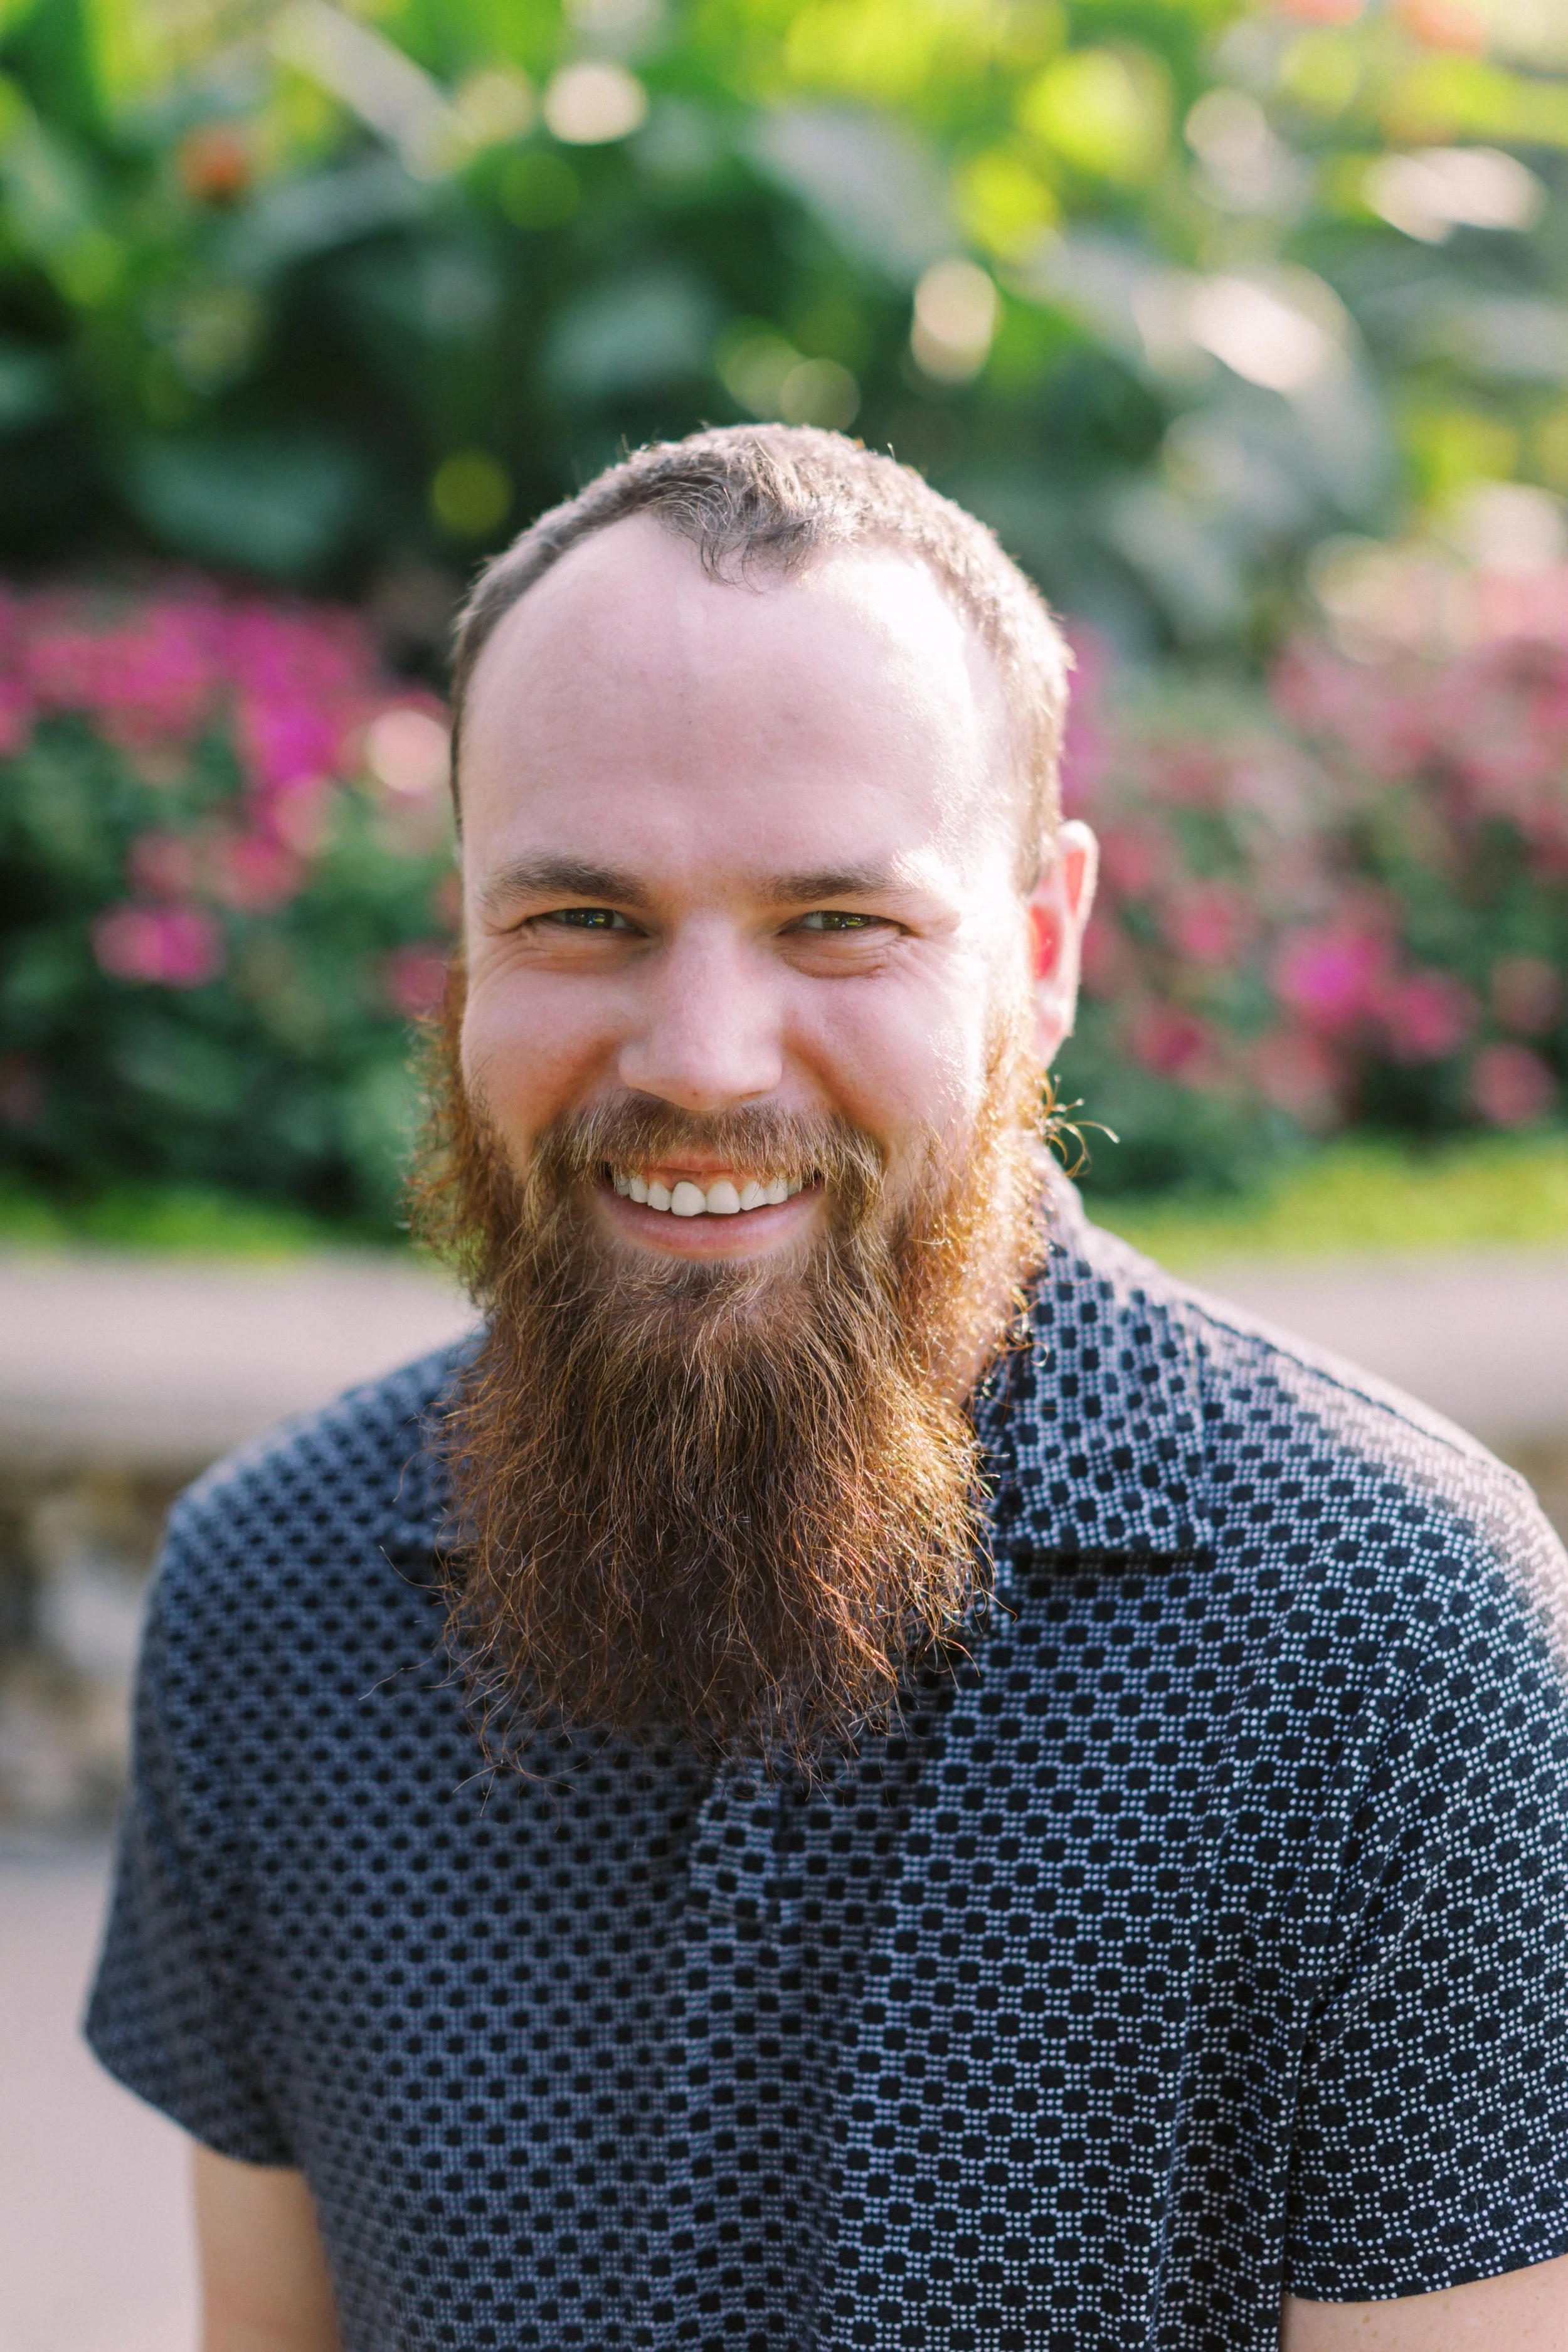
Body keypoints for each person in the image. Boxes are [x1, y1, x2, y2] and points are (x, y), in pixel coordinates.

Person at [87, 426, 1568, 2352]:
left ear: (1039, 950)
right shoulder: (269, 1597)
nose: (702, 1055)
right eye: (583, 916)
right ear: (459, 939)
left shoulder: (1389, 1633)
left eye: (837, 921)